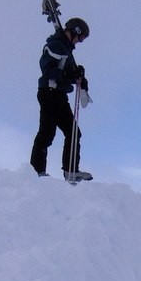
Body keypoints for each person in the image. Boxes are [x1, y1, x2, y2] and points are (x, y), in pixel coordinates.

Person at [30, 17, 93, 180]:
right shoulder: (56, 45)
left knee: (73, 132)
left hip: (59, 95)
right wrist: (68, 74)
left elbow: (66, 72)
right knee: (47, 132)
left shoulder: (66, 49)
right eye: (81, 38)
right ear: (75, 32)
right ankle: (36, 171)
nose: (80, 42)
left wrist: (77, 77)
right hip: (49, 93)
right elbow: (47, 69)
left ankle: (70, 171)